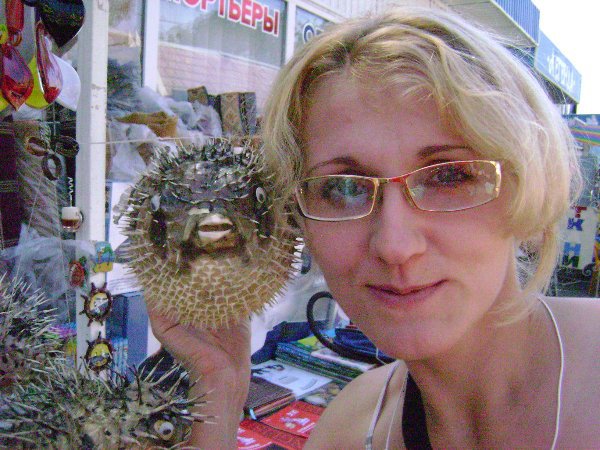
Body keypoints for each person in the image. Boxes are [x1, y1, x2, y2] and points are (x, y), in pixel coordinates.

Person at [149, 6, 600, 449]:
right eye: (343, 188)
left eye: (448, 176)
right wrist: (219, 395)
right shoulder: (347, 430)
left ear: (527, 184)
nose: (394, 245)